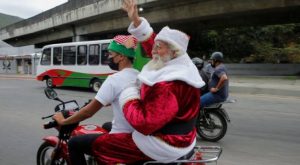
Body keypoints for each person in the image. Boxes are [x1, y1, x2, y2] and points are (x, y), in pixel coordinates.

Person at [91, 0, 204, 163]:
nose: (153, 50)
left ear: (173, 52)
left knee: (93, 144)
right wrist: (136, 20)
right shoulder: (179, 62)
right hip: (184, 137)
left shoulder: (169, 84)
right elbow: (154, 41)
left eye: (159, 47)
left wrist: (129, 95)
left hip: (163, 143)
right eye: (155, 46)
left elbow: (144, 123)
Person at [52, 35, 139, 165]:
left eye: (111, 54)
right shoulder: (140, 75)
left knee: (74, 144)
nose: (109, 58)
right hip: (137, 135)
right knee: (105, 126)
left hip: (121, 139)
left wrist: (64, 122)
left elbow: (88, 112)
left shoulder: (114, 79)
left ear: (121, 56)